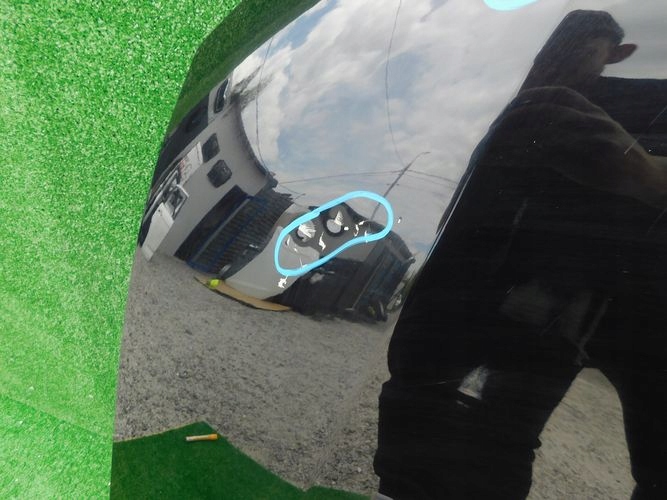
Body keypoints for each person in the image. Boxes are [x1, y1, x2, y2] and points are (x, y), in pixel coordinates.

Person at [374, 10, 667, 500]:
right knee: (435, 421)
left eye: (583, 49)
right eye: (553, 47)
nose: (557, 59)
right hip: (486, 297)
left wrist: (649, 174)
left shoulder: (645, 99)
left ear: (618, 55)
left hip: (613, 303)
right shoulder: (523, 102)